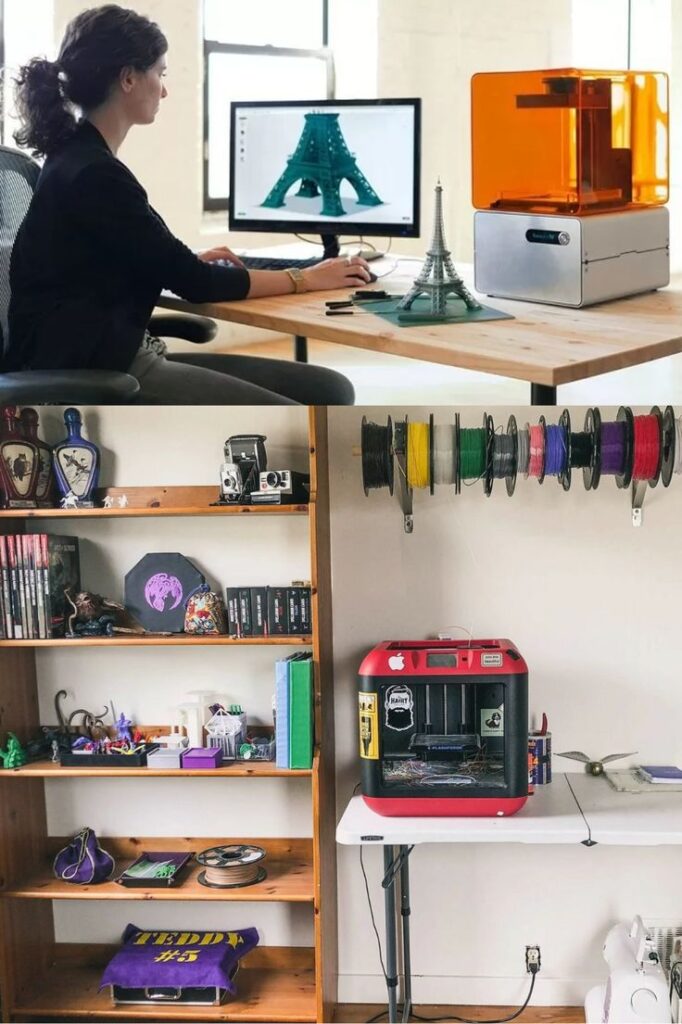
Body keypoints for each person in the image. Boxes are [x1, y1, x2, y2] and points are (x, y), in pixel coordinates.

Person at [5, 4, 371, 404]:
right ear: (128, 78)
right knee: (310, 415)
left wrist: (189, 258)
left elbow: (116, 255)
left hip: (110, 352)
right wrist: (307, 278)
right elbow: (196, 283)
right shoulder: (94, 173)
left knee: (332, 389)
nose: (164, 89)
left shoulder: (75, 157)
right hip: (103, 370)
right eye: (160, 73)